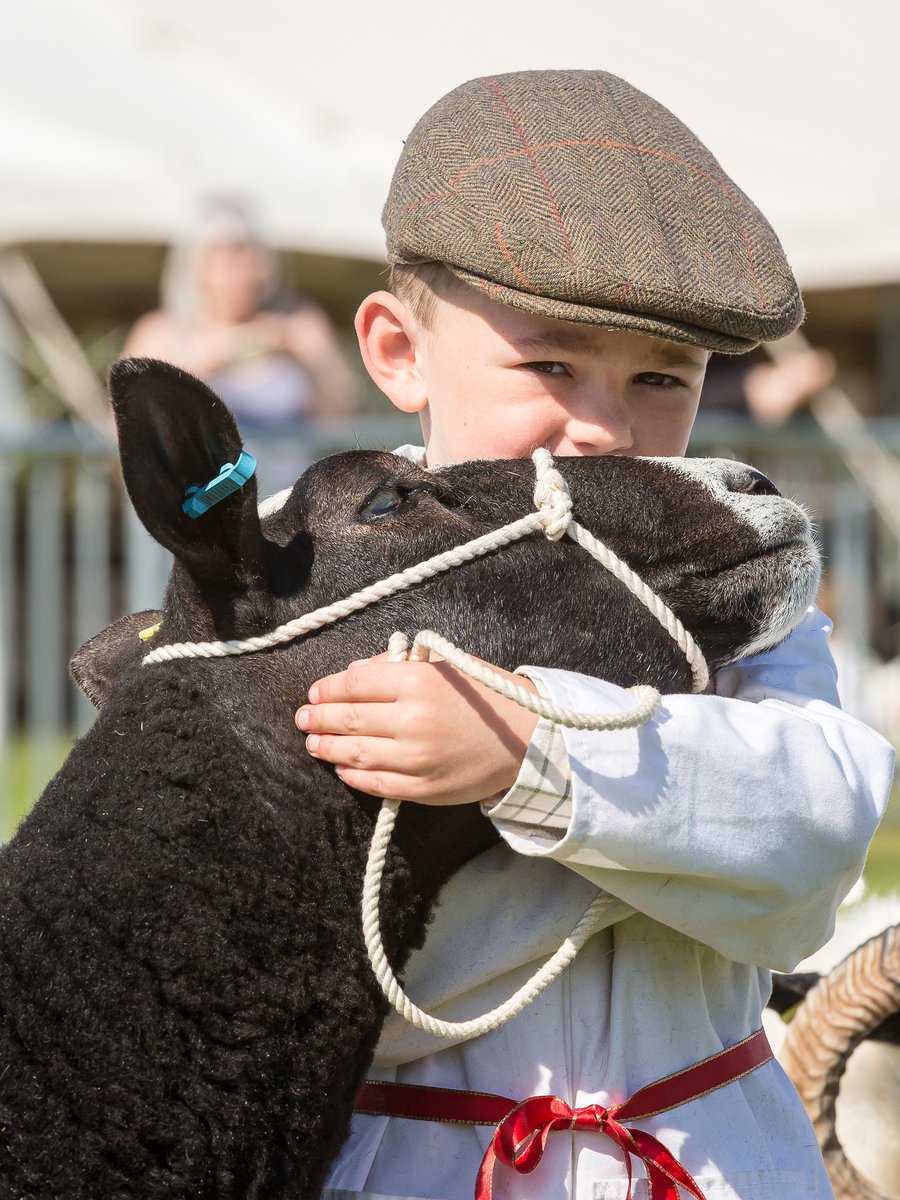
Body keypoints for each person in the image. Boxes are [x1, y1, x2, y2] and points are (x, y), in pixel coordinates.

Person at [294, 71, 895, 1200]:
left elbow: (815, 842)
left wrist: (533, 757)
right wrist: (688, 840)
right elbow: (326, 955)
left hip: (719, 1166)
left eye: (662, 378)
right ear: (397, 350)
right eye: (551, 363)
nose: (608, 427)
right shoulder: (307, 588)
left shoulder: (735, 588)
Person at [123, 200, 360, 486]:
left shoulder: (300, 322)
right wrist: (206, 365)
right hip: (198, 505)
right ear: (194, 265)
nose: (235, 273)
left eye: (244, 256)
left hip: (287, 501)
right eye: (221, 259)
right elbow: (127, 429)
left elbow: (343, 420)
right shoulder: (160, 332)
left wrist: (306, 362)